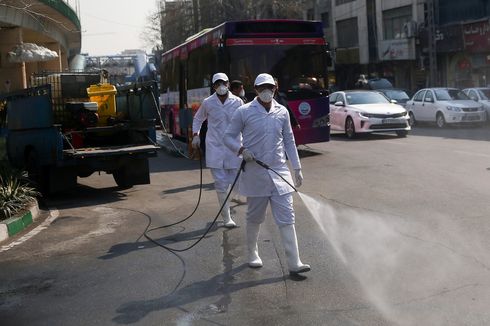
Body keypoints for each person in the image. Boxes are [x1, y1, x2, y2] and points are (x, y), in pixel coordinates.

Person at [223, 73, 310, 275]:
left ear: (276, 87)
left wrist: (296, 168)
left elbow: (289, 140)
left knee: (287, 217)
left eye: (270, 87)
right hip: (255, 172)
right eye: (262, 87)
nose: (266, 91)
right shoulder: (244, 111)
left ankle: (294, 262)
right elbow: (228, 136)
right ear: (255, 89)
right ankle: (252, 253)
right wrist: (241, 150)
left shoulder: (282, 112)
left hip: (279, 171)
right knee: (255, 216)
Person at [192, 73, 244, 228]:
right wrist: (196, 135)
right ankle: (226, 217)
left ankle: (229, 200)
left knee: (236, 182)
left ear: (228, 84)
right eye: (217, 83)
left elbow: (246, 121)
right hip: (215, 147)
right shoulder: (208, 102)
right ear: (213, 86)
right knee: (220, 183)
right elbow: (198, 119)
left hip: (234, 147)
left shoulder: (238, 101)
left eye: (224, 83)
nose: (221, 86)